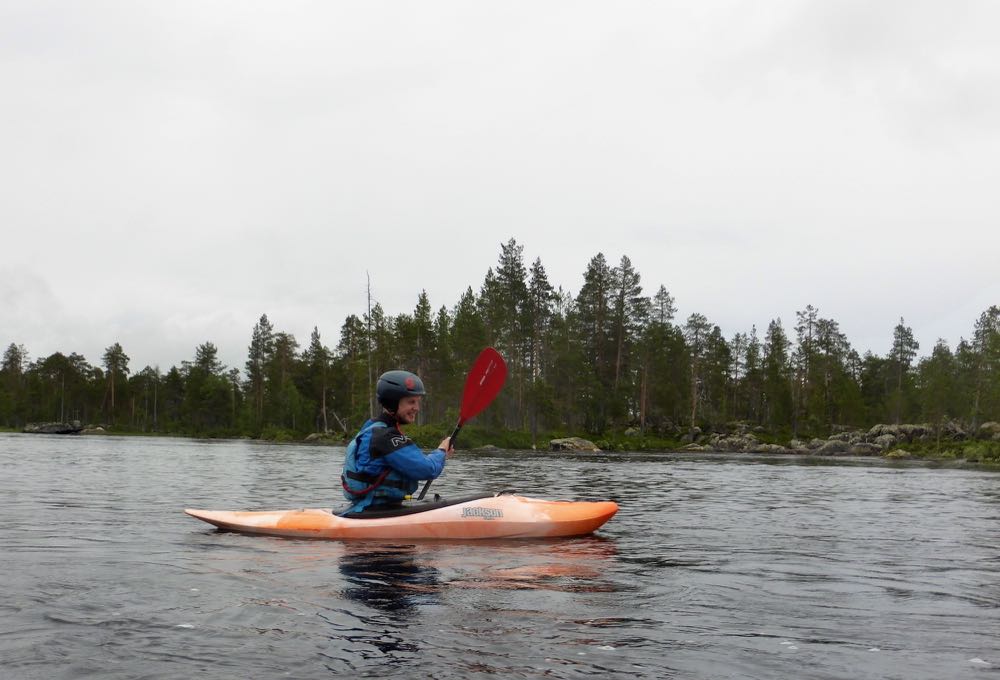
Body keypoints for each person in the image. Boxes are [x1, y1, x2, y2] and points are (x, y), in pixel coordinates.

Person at [340, 370, 453, 514]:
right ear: (392, 403)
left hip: (374, 506)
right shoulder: (385, 436)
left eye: (417, 402)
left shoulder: (372, 428)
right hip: (377, 511)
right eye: (411, 402)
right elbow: (427, 469)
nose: (417, 408)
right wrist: (442, 451)